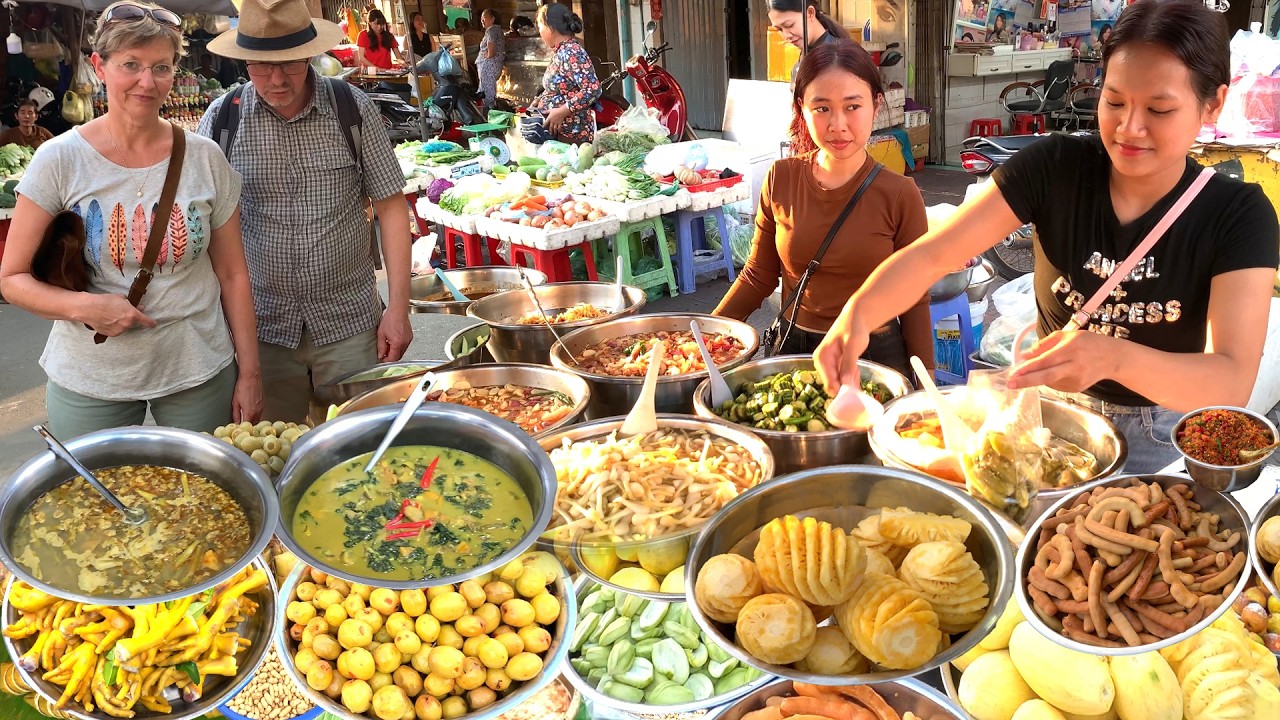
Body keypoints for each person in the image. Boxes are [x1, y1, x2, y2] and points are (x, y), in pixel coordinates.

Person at [815, 0, 1280, 473]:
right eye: (1114, 101)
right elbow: (934, 256)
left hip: (1160, 438)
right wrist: (856, 317)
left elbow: (1231, 380)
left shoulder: (1238, 214)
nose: (1128, 127)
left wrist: (1112, 358)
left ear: (1214, 102)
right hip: (1047, 416)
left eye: (1159, 109)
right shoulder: (1055, 168)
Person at [0, 1, 261, 438]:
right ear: (100, 66)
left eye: (161, 67)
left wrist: (250, 373)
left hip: (196, 368)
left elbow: (233, 273)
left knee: (200, 499)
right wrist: (85, 306)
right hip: (92, 375)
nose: (147, 81)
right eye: (131, 65)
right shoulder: (59, 159)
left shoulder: (204, 158)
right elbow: (12, 278)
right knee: (93, 500)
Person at [200, 0, 413, 423]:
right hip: (262, 332)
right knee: (279, 458)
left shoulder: (352, 109)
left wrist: (398, 309)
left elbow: (391, 208)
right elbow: (204, 231)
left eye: (291, 63)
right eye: (262, 66)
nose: (276, 79)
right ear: (244, 62)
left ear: (311, 54)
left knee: (362, 451)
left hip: (349, 323)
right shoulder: (224, 120)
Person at [714, 42, 931, 378]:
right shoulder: (781, 177)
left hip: (873, 358)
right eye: (822, 108)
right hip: (791, 350)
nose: (837, 124)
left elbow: (915, 299)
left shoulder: (900, 194)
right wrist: (706, 337)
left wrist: (925, 383)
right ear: (802, 109)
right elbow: (758, 274)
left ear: (876, 105)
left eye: (852, 106)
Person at [530, 4, 600, 144]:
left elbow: (592, 89)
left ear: (550, 27)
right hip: (559, 135)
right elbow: (560, 87)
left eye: (540, 26)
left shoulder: (572, 51)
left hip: (572, 135)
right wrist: (539, 100)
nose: (540, 32)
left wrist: (562, 111)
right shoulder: (561, 51)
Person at [767, 0, 853, 84]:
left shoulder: (837, 57)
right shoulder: (807, 53)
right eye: (779, 29)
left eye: (789, 25)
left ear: (810, 13)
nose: (786, 35)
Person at [477, 9, 506, 112]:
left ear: (492, 19)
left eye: (484, 18)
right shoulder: (498, 30)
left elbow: (491, 48)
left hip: (489, 65)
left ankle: (489, 113)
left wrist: (488, 55)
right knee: (487, 89)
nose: (482, 21)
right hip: (494, 64)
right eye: (481, 19)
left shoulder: (491, 30)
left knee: (487, 91)